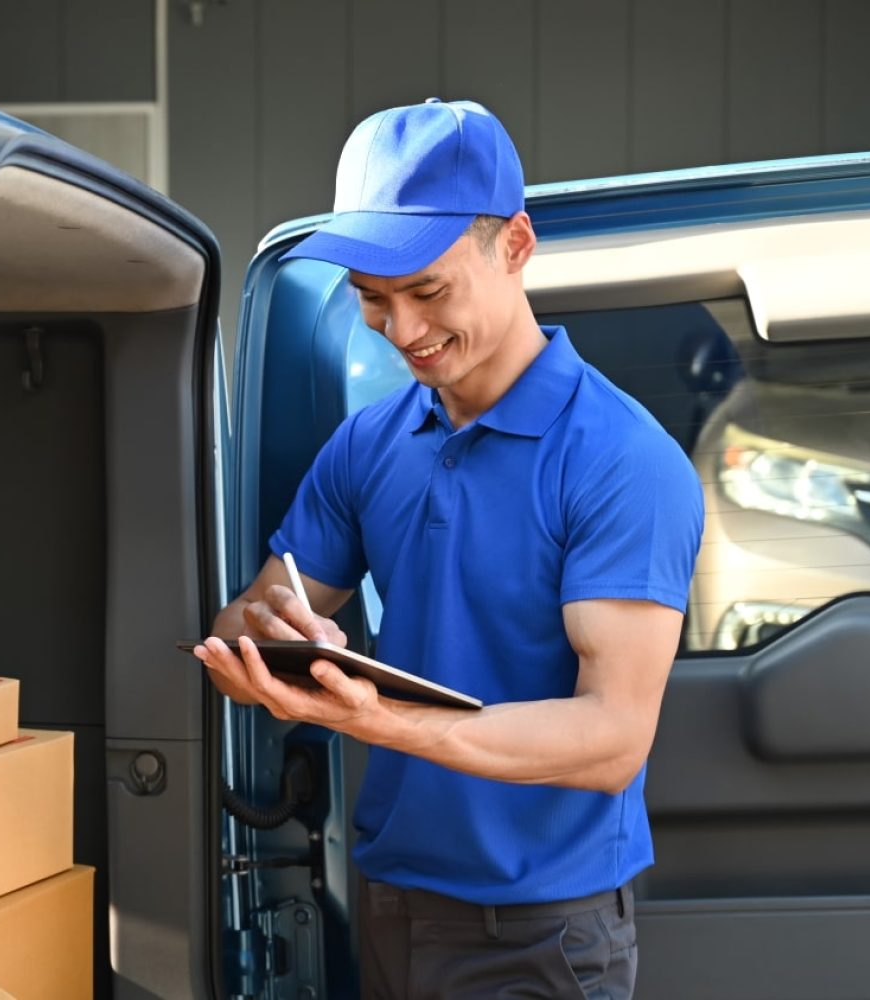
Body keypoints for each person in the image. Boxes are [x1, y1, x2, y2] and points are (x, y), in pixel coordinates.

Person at [193, 98, 704, 1000]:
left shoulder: (622, 460)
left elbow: (611, 738)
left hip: (545, 932)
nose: (404, 331)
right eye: (372, 301)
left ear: (514, 245)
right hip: (393, 906)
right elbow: (260, 611)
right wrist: (260, 645)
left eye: (427, 292)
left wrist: (374, 720)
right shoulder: (368, 446)